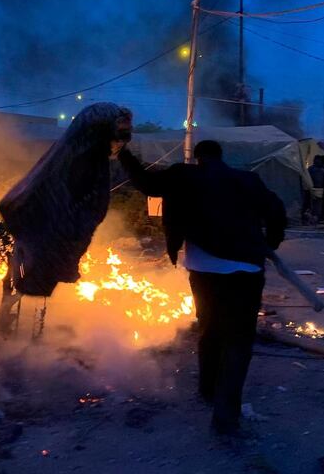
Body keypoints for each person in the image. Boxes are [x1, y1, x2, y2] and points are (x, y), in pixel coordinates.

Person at [117, 140, 287, 435]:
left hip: (204, 269)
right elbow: (276, 212)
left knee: (209, 330)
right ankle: (224, 415)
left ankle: (208, 390)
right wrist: (268, 244)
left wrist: (124, 153)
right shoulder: (248, 179)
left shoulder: (182, 175)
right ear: (223, 156)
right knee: (239, 340)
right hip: (247, 269)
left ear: (198, 159)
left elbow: (146, 183)